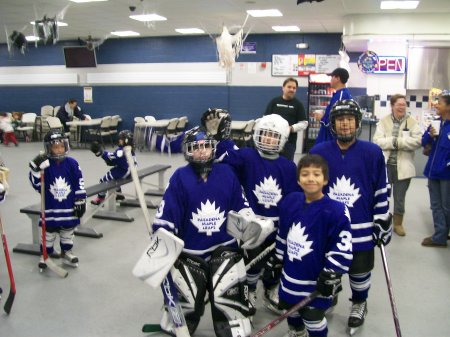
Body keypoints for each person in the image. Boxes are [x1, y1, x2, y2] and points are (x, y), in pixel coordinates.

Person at [152, 126, 271, 337]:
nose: (201, 151)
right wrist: (161, 236)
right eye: (195, 147)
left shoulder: (227, 173)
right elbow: (167, 215)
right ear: (187, 151)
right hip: (191, 252)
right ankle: (182, 319)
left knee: (229, 290)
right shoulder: (180, 177)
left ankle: (231, 322)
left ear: (212, 148)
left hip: (224, 249)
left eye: (206, 146)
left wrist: (251, 224)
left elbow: (241, 206)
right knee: (187, 293)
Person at [202, 109, 301, 316]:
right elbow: (227, 156)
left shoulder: (289, 167)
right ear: (257, 134)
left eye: (274, 136)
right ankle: (251, 289)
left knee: (276, 261)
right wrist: (220, 139)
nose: (268, 139)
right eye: (265, 133)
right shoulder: (248, 156)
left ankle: (272, 287)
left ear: (282, 141)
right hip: (251, 223)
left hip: (276, 225)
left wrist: (288, 224)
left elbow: (293, 198)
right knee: (252, 260)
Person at [310, 99, 391, 333]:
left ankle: (359, 303)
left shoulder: (373, 152)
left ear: (357, 122)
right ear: (333, 124)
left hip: (362, 225)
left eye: (349, 119)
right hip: (330, 225)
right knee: (327, 266)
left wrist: (382, 217)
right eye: (340, 120)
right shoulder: (319, 152)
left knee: (359, 270)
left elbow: (380, 188)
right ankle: (329, 297)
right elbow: (313, 188)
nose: (345, 124)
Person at [274, 154, 352, 337]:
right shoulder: (290, 202)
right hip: (291, 274)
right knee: (290, 309)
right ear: (298, 180)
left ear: (325, 179)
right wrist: (276, 259)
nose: (310, 179)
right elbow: (283, 234)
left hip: (316, 278)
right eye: (305, 174)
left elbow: (342, 245)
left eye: (316, 174)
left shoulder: (336, 210)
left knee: (313, 316)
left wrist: (332, 272)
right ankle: (297, 332)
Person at [28, 130, 87, 268]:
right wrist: (36, 171)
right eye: (55, 147)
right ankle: (45, 255)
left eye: (61, 146)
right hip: (51, 206)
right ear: (48, 148)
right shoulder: (46, 165)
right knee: (48, 234)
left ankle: (66, 252)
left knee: (68, 231)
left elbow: (79, 181)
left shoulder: (72, 163)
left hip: (68, 206)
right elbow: (37, 185)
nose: (59, 149)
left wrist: (80, 200)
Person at [373, 94, 422, 236]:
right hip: (386, 165)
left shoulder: (412, 122)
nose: (402, 107)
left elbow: (417, 141)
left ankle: (398, 224)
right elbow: (377, 141)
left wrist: (397, 142)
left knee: (400, 198)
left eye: (404, 104)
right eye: (399, 104)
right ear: (392, 106)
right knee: (384, 196)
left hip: (404, 167)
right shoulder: (384, 121)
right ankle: (383, 221)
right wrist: (393, 142)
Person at [421, 90, 450, 248]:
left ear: (448, 107)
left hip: (446, 174)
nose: (436, 104)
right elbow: (422, 141)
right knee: (436, 205)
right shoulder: (436, 122)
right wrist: (431, 135)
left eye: (440, 102)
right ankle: (440, 235)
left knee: (446, 206)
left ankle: (442, 234)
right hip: (432, 172)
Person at [265, 77, 308, 160]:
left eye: (294, 88)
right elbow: (265, 118)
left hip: (289, 143)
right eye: (289, 87)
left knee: (286, 166)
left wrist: (291, 128)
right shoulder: (274, 102)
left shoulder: (298, 105)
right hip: (272, 141)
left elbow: (304, 123)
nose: (291, 89)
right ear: (283, 88)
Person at [90, 130, 136, 205]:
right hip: (131, 172)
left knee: (104, 180)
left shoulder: (121, 151)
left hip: (123, 172)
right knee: (114, 179)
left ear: (126, 140)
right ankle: (119, 196)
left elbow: (111, 157)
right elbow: (116, 161)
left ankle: (100, 198)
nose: (119, 140)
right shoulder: (131, 149)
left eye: (121, 139)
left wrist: (100, 152)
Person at [314, 67, 352, 145]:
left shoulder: (342, 96)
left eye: (332, 77)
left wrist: (321, 118)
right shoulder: (339, 95)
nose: (330, 80)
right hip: (328, 139)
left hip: (330, 140)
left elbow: (336, 122)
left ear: (337, 78)